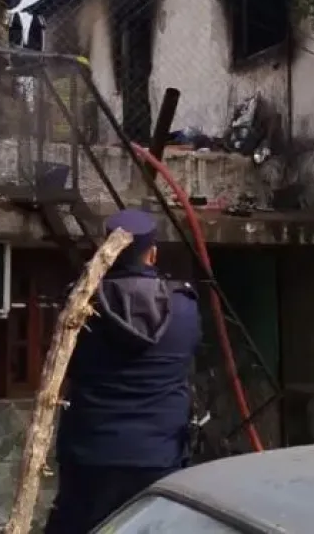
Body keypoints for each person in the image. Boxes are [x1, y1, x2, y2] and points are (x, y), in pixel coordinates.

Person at [45, 209, 201, 533]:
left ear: (106, 251)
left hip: (90, 452)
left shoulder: (78, 308)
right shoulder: (184, 308)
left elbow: (63, 366)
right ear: (153, 253)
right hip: (158, 453)